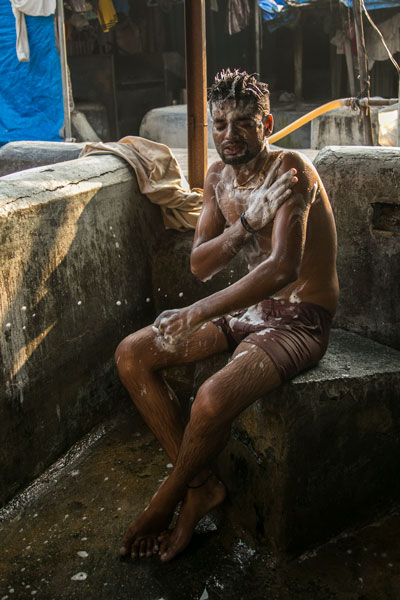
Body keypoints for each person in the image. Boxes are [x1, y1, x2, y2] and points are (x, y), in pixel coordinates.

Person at [115, 69, 339, 563]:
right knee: (132, 354)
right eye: (219, 124)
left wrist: (196, 314)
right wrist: (242, 226)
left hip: (300, 319)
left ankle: (167, 502)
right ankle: (199, 486)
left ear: (267, 124)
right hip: (247, 310)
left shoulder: (290, 170)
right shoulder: (218, 177)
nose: (229, 136)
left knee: (211, 397)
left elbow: (284, 268)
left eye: (242, 123)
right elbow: (199, 264)